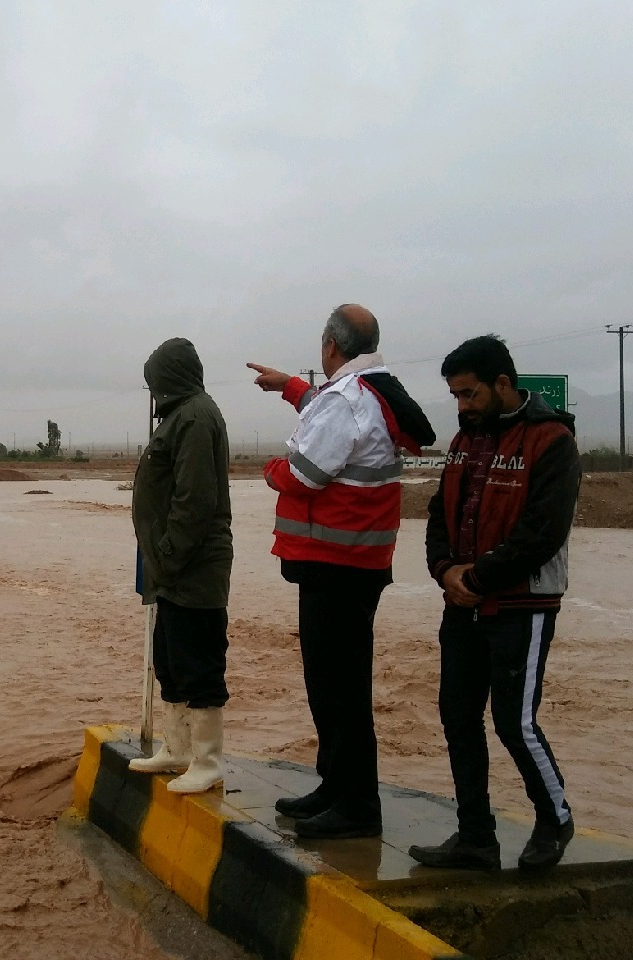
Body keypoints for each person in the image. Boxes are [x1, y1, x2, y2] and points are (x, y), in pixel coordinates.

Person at [247, 304, 435, 839]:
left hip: (338, 565)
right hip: (351, 562)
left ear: (331, 345)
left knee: (340, 689)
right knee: (329, 682)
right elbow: (331, 419)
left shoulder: (348, 399)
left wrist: (271, 469)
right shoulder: (368, 392)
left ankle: (357, 806)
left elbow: (305, 472)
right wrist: (289, 388)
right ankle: (336, 786)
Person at [409, 334, 581, 872]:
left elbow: (541, 532)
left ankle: (555, 820)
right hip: (461, 602)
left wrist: (478, 578)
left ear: (502, 384)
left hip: (521, 606)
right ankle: (475, 837)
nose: (461, 405)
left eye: (468, 393)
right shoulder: (466, 440)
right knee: (458, 715)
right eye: (455, 395)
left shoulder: (552, 442)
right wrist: (445, 571)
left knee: (515, 722)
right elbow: (441, 513)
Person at [129, 337, 235, 794]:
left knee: (199, 665)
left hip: (193, 569)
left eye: (155, 382)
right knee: (171, 661)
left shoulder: (194, 417)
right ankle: (176, 749)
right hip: (171, 571)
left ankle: (207, 762)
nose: (152, 392)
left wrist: (168, 555)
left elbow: (195, 499)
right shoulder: (180, 416)